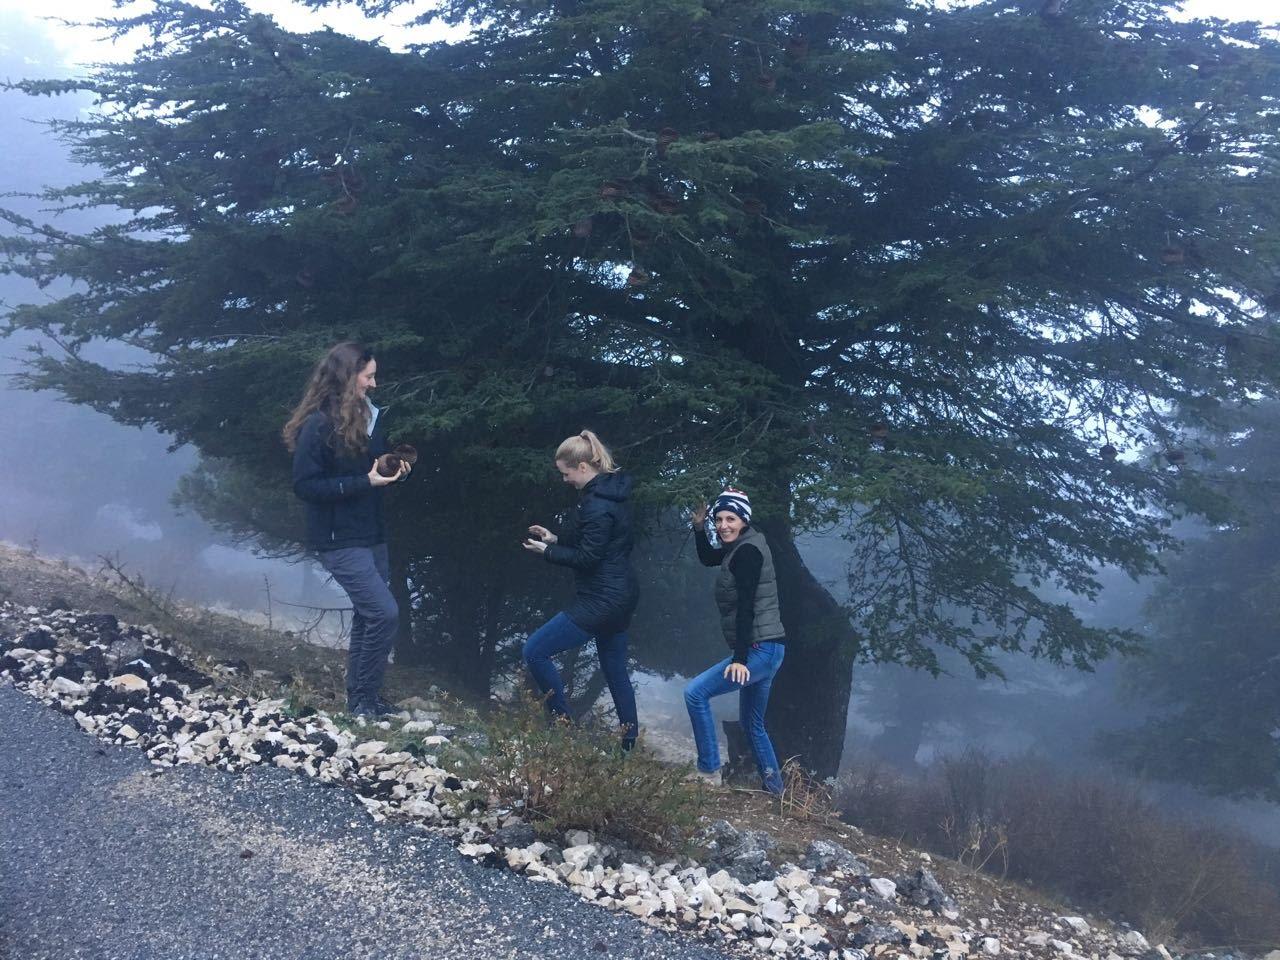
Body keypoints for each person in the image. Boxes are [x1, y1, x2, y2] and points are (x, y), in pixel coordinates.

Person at [283, 341, 411, 718]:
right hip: (338, 539)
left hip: (372, 533)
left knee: (367, 615)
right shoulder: (318, 425)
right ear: (347, 375)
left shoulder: (371, 416)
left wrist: (394, 468)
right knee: (384, 613)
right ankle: (363, 702)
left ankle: (363, 700)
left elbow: (371, 467)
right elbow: (305, 486)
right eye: (368, 376)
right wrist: (365, 482)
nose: (373, 383)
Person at [521, 430, 640, 750]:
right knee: (615, 672)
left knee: (534, 650)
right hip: (621, 595)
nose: (565, 480)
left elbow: (588, 558)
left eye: (566, 473)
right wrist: (555, 540)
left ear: (584, 467)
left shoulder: (597, 505)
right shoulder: (612, 495)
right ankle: (628, 750)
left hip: (602, 599)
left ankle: (562, 727)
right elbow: (598, 546)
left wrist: (546, 553)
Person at [684, 488, 786, 793]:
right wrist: (700, 528)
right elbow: (708, 557)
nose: (724, 525)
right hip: (771, 648)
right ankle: (776, 791)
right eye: (719, 519)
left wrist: (740, 659)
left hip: (759, 648)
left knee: (695, 693)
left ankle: (709, 771)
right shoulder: (741, 546)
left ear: (744, 520)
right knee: (753, 725)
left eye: (731, 518)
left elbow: (746, 608)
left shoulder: (748, 553)